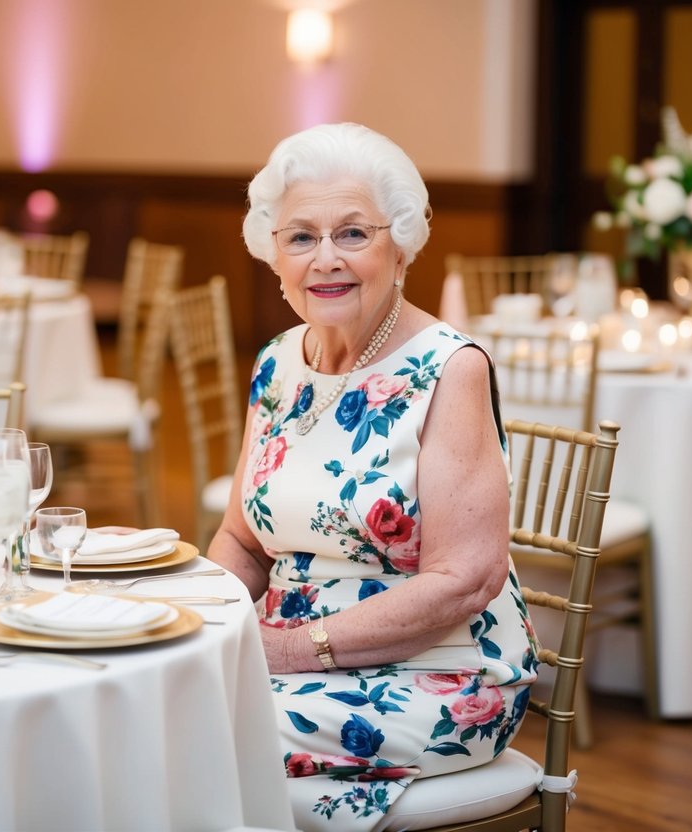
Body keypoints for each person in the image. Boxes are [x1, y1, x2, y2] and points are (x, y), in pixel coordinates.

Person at [208, 122, 539, 830]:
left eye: (352, 234)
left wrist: (289, 651)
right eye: (300, 237)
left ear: (400, 246)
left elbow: (466, 579)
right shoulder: (276, 363)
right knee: (164, 699)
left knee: (198, 727)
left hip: (436, 673)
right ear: (274, 255)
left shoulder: (450, 368)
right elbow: (240, 538)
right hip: (284, 655)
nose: (325, 259)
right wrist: (207, 625)